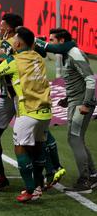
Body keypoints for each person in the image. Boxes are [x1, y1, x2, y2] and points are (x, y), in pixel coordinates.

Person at [0, 27, 52, 202]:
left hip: (27, 111)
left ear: (18, 43)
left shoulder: (14, 62)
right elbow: (20, 62)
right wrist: (4, 55)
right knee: (37, 148)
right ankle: (37, 186)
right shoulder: (37, 58)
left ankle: (29, 190)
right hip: (45, 112)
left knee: (20, 149)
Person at [47, 28, 97, 193]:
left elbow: (90, 79)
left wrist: (86, 103)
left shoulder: (74, 53)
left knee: (74, 138)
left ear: (61, 41)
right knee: (77, 138)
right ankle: (93, 175)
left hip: (81, 104)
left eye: (52, 40)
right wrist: (68, 98)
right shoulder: (68, 54)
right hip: (75, 102)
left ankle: (85, 182)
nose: (50, 43)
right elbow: (77, 79)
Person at [0, 13, 23, 190]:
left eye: (1, 26)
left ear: (9, 28)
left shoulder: (11, 43)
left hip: (21, 94)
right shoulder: (10, 43)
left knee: (32, 136)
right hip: (6, 95)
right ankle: (1, 177)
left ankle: (49, 171)